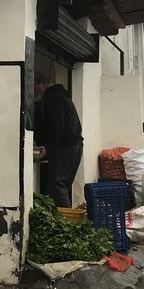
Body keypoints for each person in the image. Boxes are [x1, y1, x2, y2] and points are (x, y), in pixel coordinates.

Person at [34, 72, 84, 207]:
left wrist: (47, 147)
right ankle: (65, 220)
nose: (34, 91)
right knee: (61, 186)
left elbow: (56, 126)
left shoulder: (52, 97)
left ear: (42, 84)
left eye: (35, 87)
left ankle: (65, 223)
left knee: (56, 185)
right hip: (75, 146)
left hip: (66, 147)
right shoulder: (61, 96)